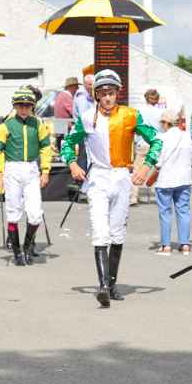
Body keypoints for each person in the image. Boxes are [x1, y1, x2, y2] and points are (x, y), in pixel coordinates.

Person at [61, 69, 162, 308]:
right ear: (96, 95)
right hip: (97, 178)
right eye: (103, 93)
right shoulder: (86, 117)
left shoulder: (130, 115)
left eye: (112, 93)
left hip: (121, 177)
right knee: (100, 231)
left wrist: (145, 166)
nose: (108, 97)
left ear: (118, 93)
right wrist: (73, 163)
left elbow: (156, 140)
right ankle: (103, 286)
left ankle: (112, 283)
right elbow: (68, 143)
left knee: (117, 233)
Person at [0, 87, 52, 266]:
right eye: (20, 105)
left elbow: (45, 147)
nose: (24, 108)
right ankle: (17, 252)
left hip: (32, 169)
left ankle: (27, 246)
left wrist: (46, 170)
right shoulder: (5, 126)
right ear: (15, 106)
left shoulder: (38, 124)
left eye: (27, 105)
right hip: (12, 169)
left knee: (35, 214)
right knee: (13, 212)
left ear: (32, 106)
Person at [153, 108, 192, 256]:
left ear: (165, 123)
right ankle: (185, 244)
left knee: (165, 212)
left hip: (166, 179)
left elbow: (158, 161)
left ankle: (166, 245)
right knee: (183, 211)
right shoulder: (186, 136)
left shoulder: (161, 138)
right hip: (184, 178)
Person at [132, 88, 165, 205]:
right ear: (156, 100)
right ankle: (155, 195)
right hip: (156, 142)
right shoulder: (161, 112)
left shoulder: (139, 111)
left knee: (137, 169)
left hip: (142, 142)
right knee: (155, 169)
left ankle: (133, 197)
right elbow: (162, 129)